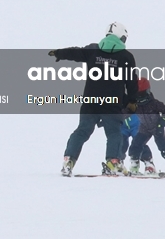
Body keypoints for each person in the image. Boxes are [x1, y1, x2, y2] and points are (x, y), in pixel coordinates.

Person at [52, 22, 140, 177]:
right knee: (114, 133)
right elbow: (131, 81)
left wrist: (59, 53)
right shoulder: (126, 56)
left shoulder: (93, 50)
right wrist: (132, 101)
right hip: (112, 103)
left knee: (82, 131)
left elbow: (76, 53)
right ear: (121, 37)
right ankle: (113, 162)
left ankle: (68, 161)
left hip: (90, 101)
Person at [125, 78, 165, 176]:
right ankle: (134, 165)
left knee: (162, 144)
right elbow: (125, 112)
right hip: (144, 128)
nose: (140, 98)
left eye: (142, 95)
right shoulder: (135, 105)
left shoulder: (154, 103)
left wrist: (162, 122)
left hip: (157, 127)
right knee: (136, 144)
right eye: (138, 95)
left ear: (148, 92)